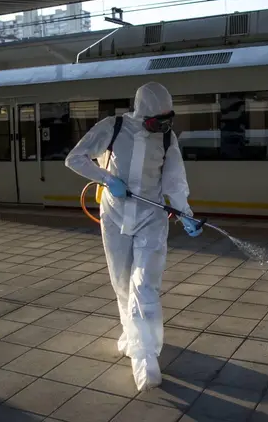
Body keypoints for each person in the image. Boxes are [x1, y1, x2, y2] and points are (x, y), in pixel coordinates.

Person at [65, 81, 202, 392]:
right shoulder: (112, 128)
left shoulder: (167, 139)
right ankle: (132, 335)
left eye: (169, 119)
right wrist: (107, 178)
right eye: (158, 120)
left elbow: (175, 183)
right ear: (143, 113)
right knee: (123, 285)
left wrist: (187, 215)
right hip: (114, 219)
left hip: (151, 221)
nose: (163, 126)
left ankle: (145, 357)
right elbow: (75, 158)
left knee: (144, 287)